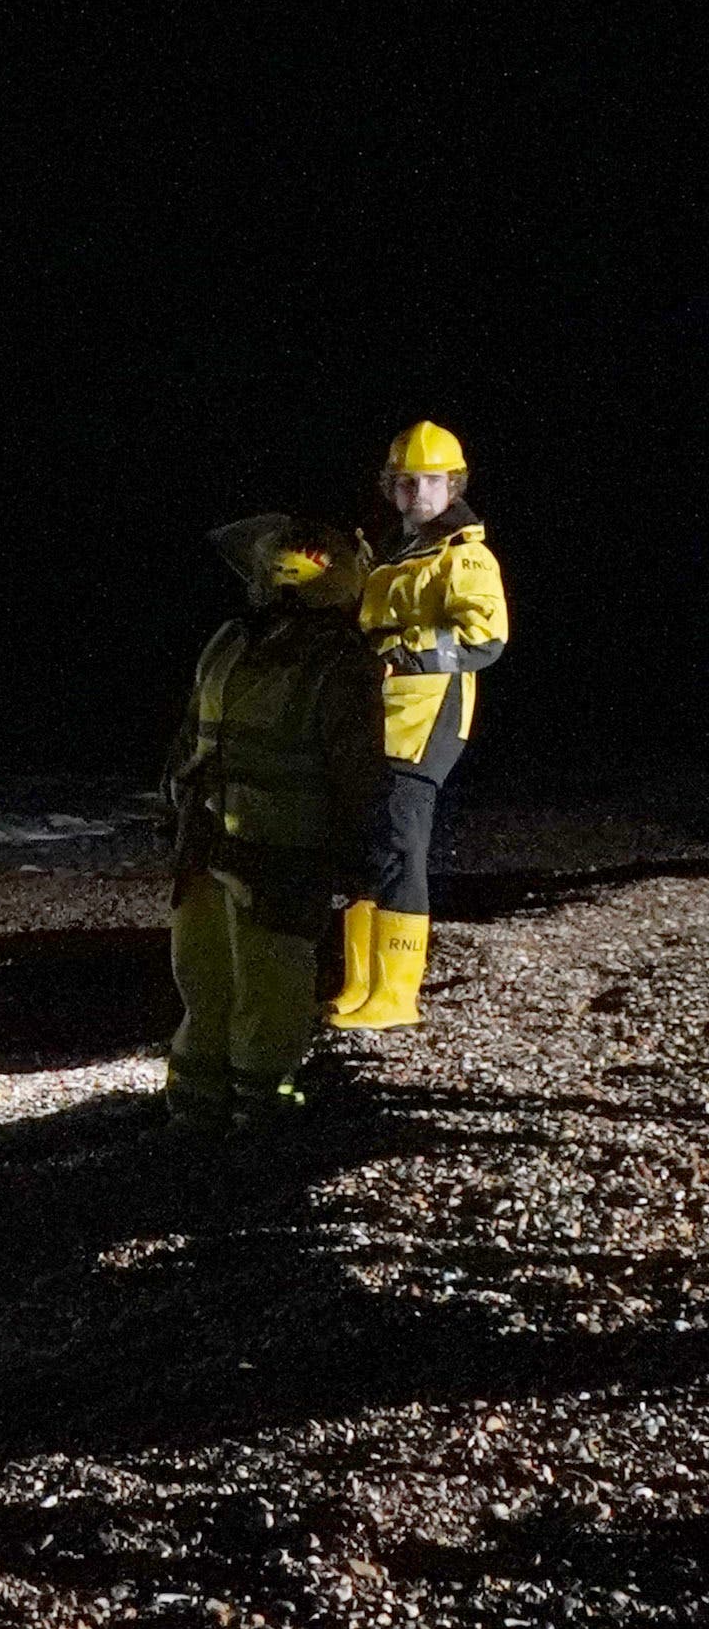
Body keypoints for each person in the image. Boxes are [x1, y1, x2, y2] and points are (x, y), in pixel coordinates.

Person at [171, 516, 384, 1127]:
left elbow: (186, 744)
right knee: (271, 984)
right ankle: (262, 1106)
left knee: (208, 978)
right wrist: (363, 857)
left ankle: (196, 1102)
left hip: (208, 840)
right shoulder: (341, 658)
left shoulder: (231, 640)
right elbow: (356, 769)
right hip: (281, 848)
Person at [334, 421, 508, 1034]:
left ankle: (396, 995)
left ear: (453, 484)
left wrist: (403, 650)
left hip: (427, 717)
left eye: (431, 482)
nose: (418, 493)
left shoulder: (463, 555)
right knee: (366, 847)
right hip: (377, 717)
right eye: (406, 482)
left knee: (401, 847)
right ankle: (359, 986)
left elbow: (484, 639)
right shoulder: (393, 553)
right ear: (390, 487)